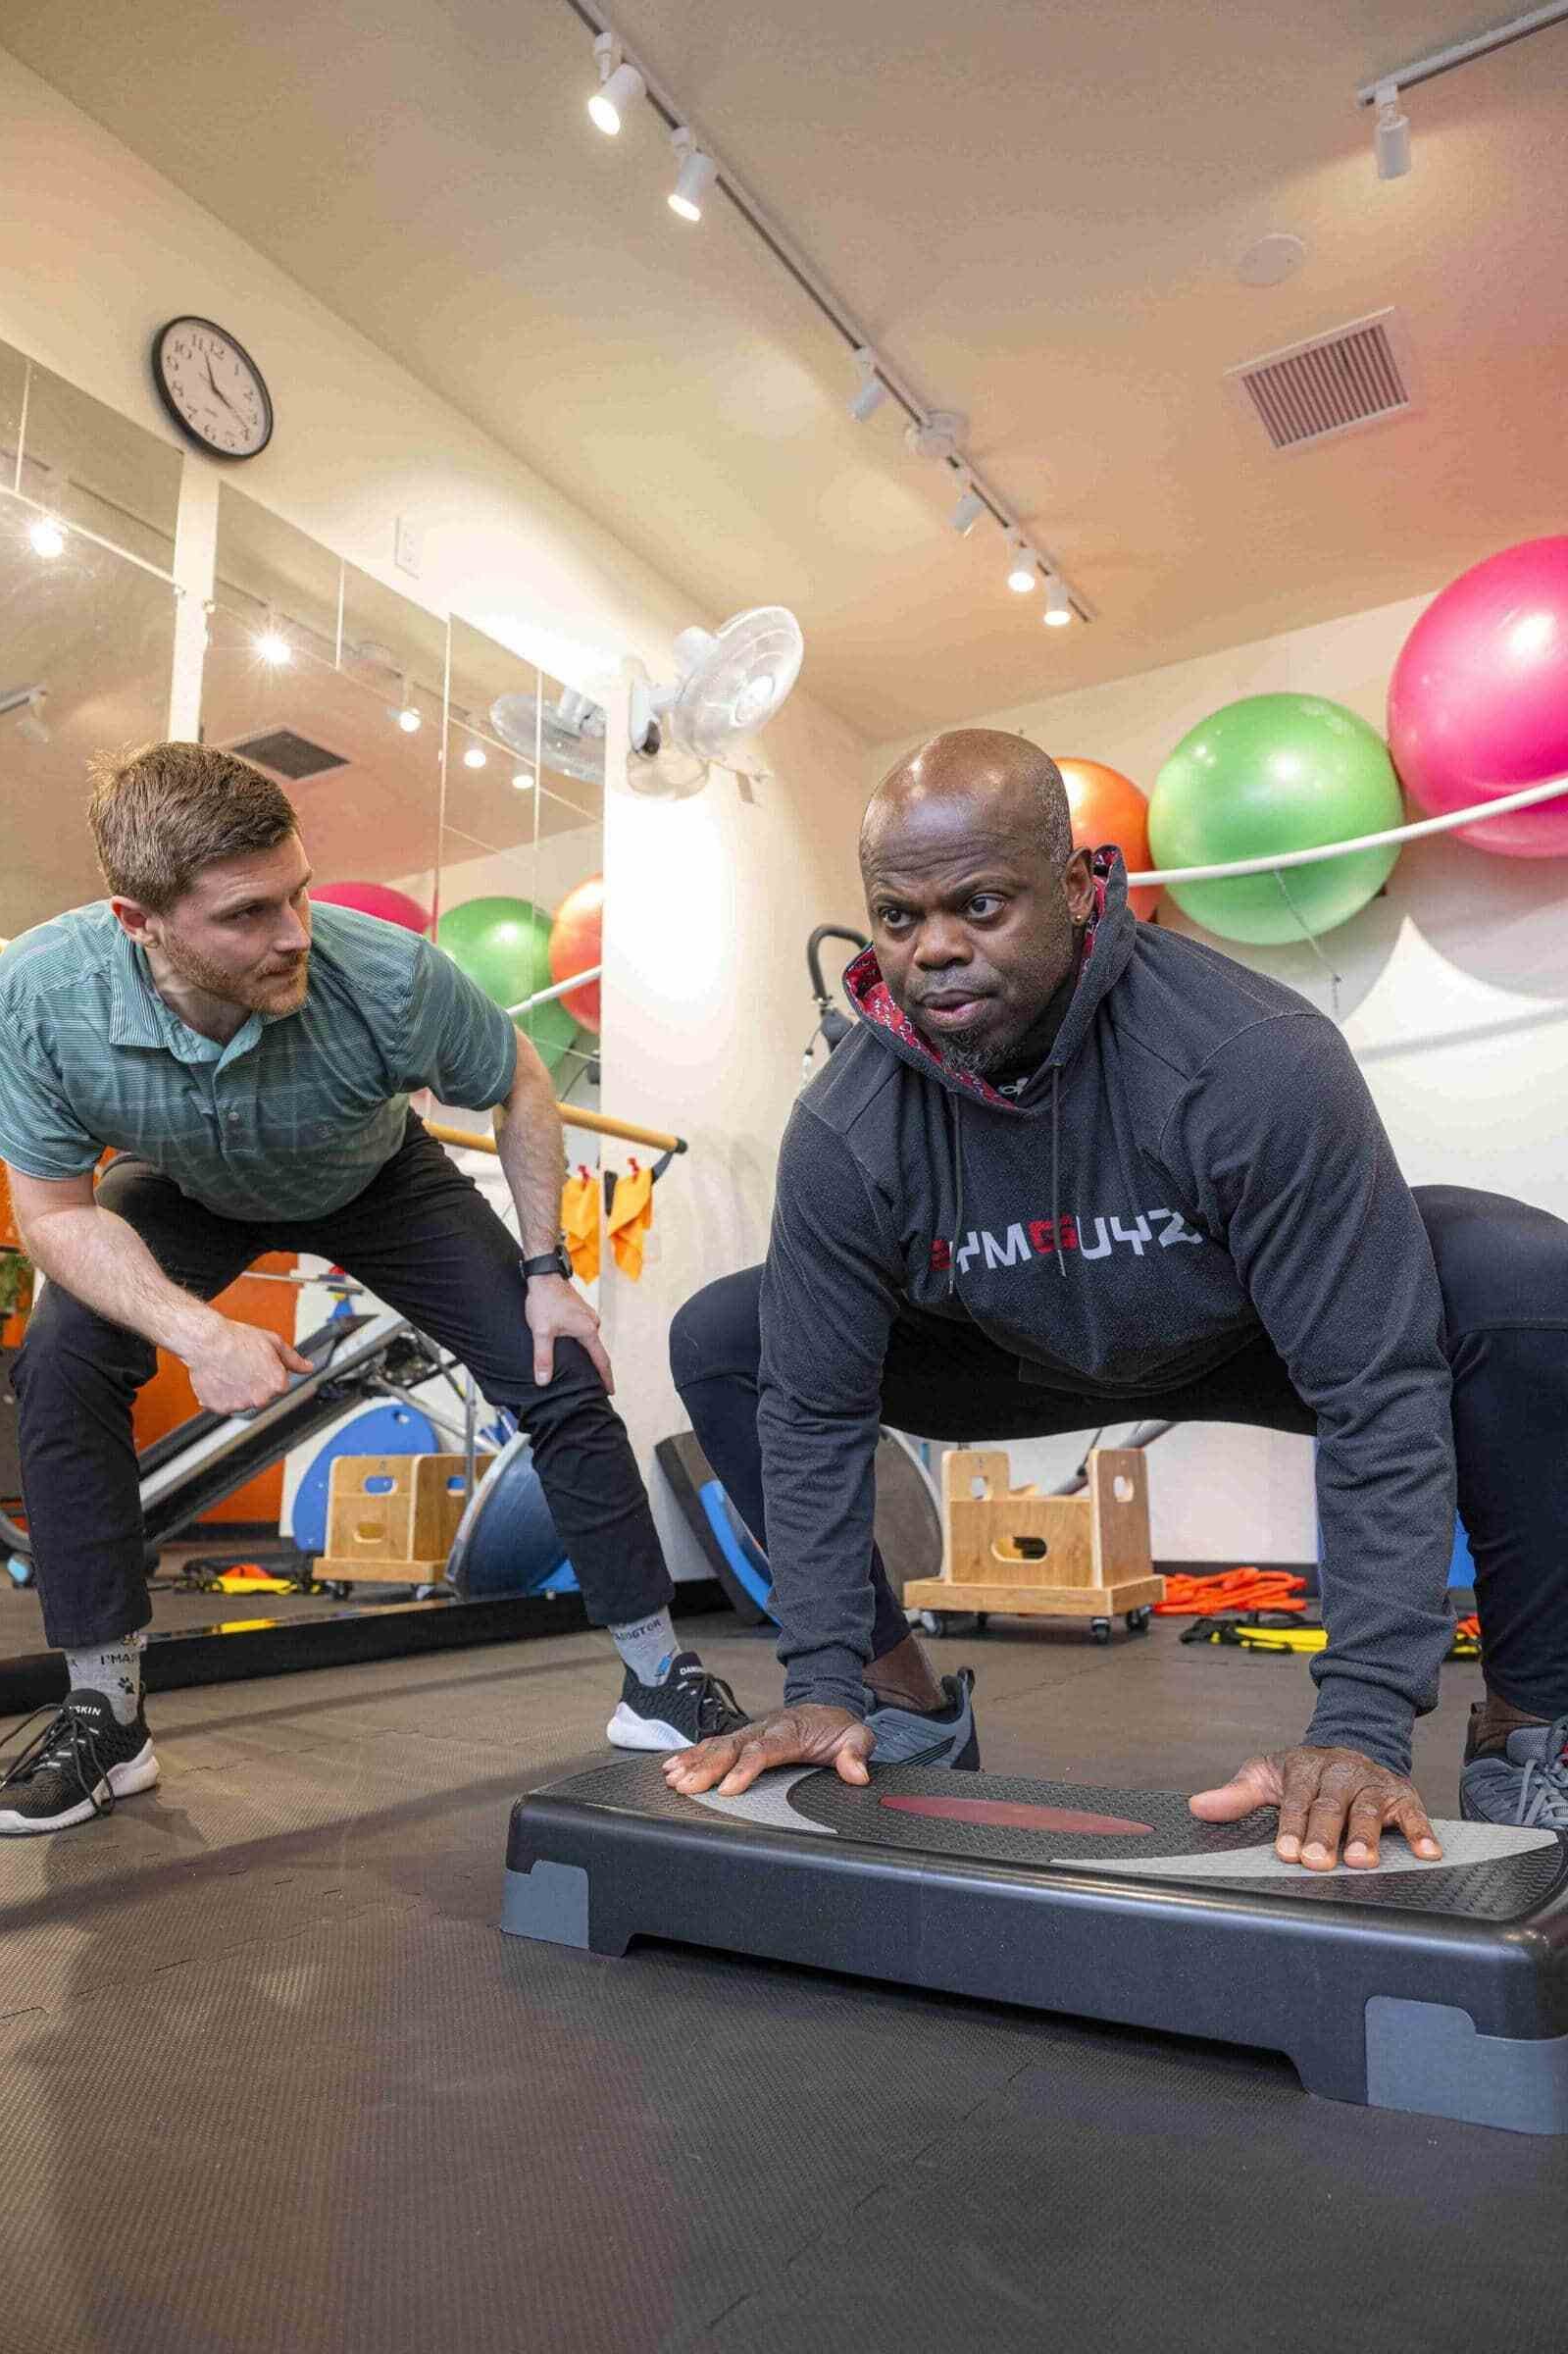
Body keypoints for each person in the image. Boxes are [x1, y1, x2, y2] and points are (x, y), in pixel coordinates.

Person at [663, 729, 1568, 1866]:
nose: (933, 948)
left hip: (1254, 1331)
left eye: (980, 905)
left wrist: (1359, 1726)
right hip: (1005, 1349)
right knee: (727, 1336)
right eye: (898, 917)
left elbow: (1375, 1392)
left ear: (1080, 887)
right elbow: (808, 1413)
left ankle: (1535, 1725)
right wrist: (817, 1678)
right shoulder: (847, 1126)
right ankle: (890, 1707)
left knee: (1515, 1279)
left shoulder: (1249, 1056)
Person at [0, 742, 746, 1836]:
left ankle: (659, 1678)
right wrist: (199, 1332)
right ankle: (105, 1713)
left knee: (557, 1363)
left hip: (375, 1177)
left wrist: (547, 1270)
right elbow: (56, 1214)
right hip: (182, 1184)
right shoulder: (40, 994)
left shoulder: (389, 974)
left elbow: (520, 1080)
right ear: (137, 922)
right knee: (63, 1361)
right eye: (248, 914)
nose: (295, 932)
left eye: (297, 892)